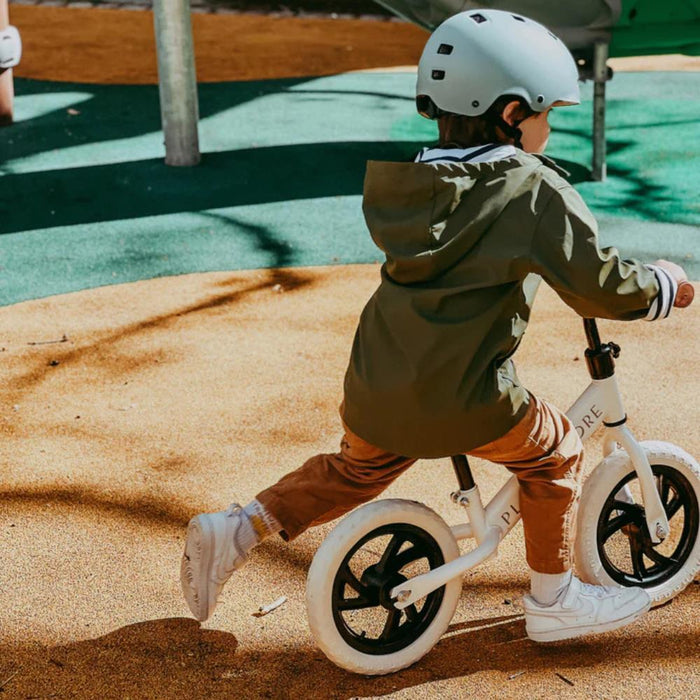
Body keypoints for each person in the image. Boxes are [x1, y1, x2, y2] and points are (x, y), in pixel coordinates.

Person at [180, 9, 690, 643]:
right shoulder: (530, 191)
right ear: (510, 113)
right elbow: (599, 283)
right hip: (465, 394)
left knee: (355, 470)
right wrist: (664, 286)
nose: (549, 126)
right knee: (556, 452)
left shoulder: (413, 180)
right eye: (544, 112)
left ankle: (237, 528)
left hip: (377, 378)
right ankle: (555, 600)